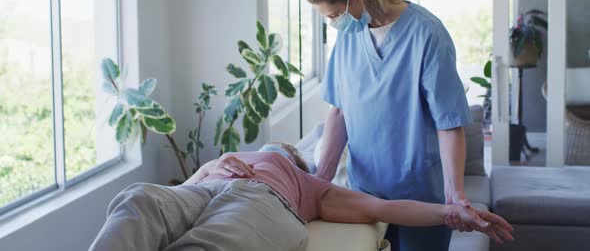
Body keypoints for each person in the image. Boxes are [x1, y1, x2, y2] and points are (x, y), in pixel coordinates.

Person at [305, 0, 479, 251]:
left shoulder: (427, 33)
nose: (334, 24)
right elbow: (339, 112)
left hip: (419, 194)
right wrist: (321, 179)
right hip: (364, 196)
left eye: (334, 15)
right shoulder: (349, 36)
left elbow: (449, 122)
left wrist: (455, 194)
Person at [90, 143, 513, 251]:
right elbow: (172, 202)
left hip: (262, 201)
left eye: (284, 149)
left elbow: (382, 209)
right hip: (200, 188)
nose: (274, 148)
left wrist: (452, 212)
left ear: (294, 158)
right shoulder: (226, 157)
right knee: (138, 199)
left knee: (215, 239)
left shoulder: (303, 182)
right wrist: (209, 169)